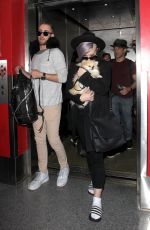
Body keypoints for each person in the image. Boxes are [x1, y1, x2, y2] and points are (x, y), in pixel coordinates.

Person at [16, 22, 69, 190]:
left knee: (53, 139)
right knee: (39, 139)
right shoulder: (35, 55)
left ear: (51, 35)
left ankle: (64, 167)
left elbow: (63, 77)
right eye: (39, 32)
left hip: (52, 103)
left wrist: (43, 75)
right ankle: (43, 172)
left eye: (46, 32)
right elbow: (33, 78)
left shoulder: (56, 53)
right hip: (36, 105)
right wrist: (23, 72)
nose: (42, 35)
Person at [66, 31, 111, 222]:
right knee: (90, 154)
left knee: (97, 156)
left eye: (90, 45)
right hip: (81, 118)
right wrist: (79, 95)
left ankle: (97, 200)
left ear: (96, 48)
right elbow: (69, 90)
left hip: (97, 118)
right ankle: (95, 179)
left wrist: (89, 69)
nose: (87, 48)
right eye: (83, 45)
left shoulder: (105, 65)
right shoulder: (74, 67)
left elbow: (103, 88)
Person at [109, 39, 136, 158]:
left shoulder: (130, 63)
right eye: (115, 48)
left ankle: (128, 139)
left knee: (127, 120)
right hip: (113, 96)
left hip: (127, 97)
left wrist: (129, 88)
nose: (116, 50)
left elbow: (137, 81)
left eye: (119, 48)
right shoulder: (110, 63)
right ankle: (119, 142)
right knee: (115, 121)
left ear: (124, 50)